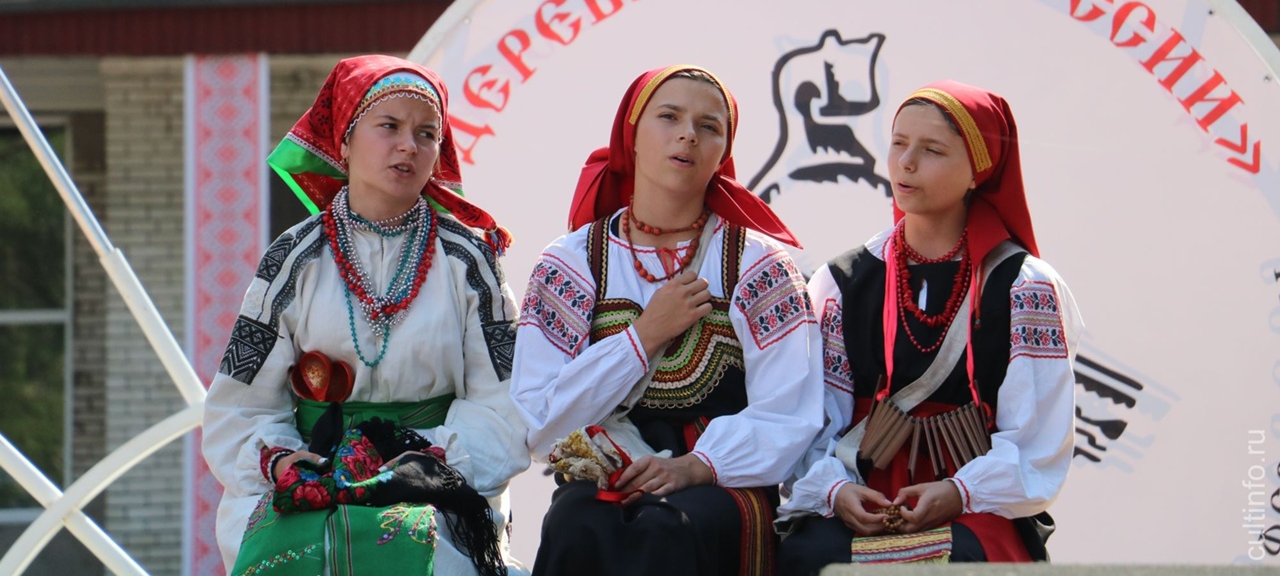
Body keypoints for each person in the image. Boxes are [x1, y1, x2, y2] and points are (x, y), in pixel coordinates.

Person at [203, 55, 529, 576]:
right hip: (313, 475)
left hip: (434, 480)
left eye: (427, 134)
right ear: (345, 142)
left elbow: (506, 401)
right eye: (389, 126)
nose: (409, 145)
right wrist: (282, 460)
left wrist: (430, 457)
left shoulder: (469, 260)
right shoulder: (293, 258)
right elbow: (240, 404)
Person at [509, 64, 825, 576]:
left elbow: (790, 412)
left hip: (721, 479)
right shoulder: (571, 262)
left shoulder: (758, 265)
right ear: (631, 135)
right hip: (608, 468)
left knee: (667, 525)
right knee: (575, 522)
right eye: (670, 116)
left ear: (723, 151)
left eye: (709, 126)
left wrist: (696, 466)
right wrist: (644, 336)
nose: (688, 135)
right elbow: (539, 417)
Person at [776, 80, 1082, 570]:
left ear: (978, 170)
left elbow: (1037, 441)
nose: (906, 162)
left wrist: (959, 492)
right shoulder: (844, 280)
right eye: (898, 143)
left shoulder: (1024, 286)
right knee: (809, 555)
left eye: (932, 150)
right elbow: (814, 416)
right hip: (862, 487)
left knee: (959, 559)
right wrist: (835, 490)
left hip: (976, 501)